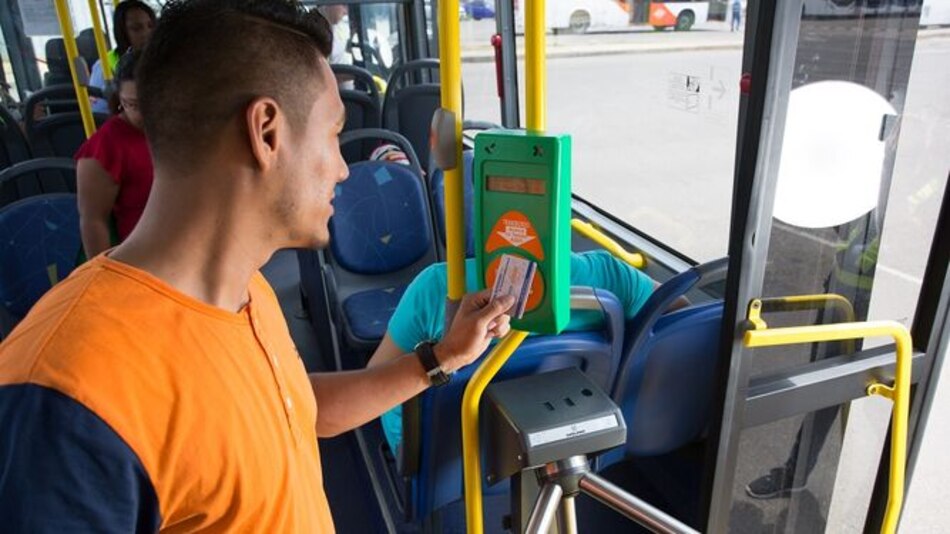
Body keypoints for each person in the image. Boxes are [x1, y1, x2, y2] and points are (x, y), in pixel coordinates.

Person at [0, 1, 513, 531]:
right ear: (266, 131)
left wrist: (442, 358)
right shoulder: (63, 395)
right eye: (333, 134)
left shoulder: (244, 291)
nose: (343, 169)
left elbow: (296, 407)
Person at [368, 251, 683, 453]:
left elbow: (375, 379)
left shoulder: (437, 288)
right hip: (573, 441)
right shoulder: (611, 277)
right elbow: (680, 311)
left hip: (444, 453)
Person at [75, 51, 153, 258]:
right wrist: (103, 271)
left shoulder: (180, 132)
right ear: (120, 100)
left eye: (153, 101)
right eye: (133, 105)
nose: (146, 113)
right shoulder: (104, 147)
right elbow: (93, 220)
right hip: (141, 259)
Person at [88, 0, 156, 113]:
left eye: (150, 26)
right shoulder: (104, 66)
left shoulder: (164, 60)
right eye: (136, 28)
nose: (147, 33)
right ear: (123, 32)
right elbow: (100, 112)